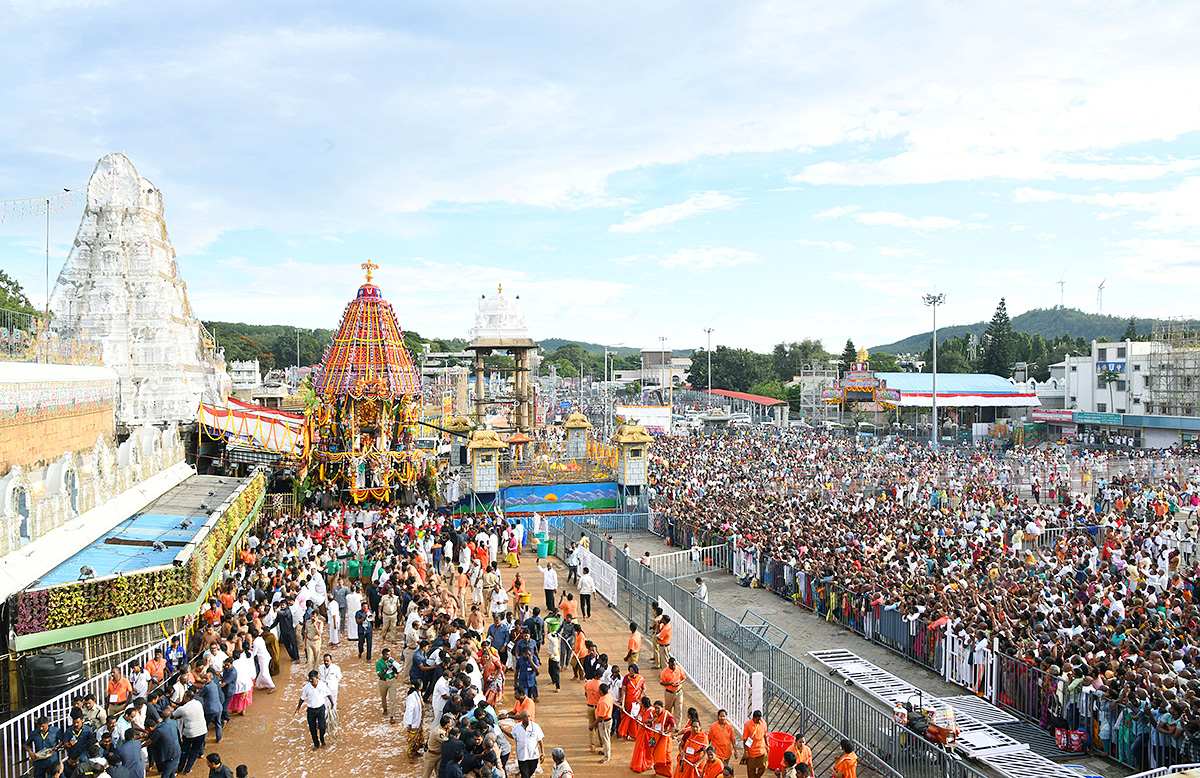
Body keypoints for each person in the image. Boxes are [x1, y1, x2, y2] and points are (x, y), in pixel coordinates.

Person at [294, 670, 333, 749]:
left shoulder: (322, 685)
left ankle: (322, 739)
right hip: (311, 710)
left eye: (312, 679)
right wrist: (297, 709)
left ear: (317, 678)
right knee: (312, 728)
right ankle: (316, 744)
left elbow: (328, 694)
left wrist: (332, 703)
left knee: (322, 726)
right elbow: (302, 699)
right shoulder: (306, 688)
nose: (310, 681)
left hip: (321, 709)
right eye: (309, 679)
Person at [512, 711, 545, 778]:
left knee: (530, 771)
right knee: (525, 775)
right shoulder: (517, 727)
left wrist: (542, 753)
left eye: (528, 716)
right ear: (521, 718)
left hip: (533, 756)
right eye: (525, 717)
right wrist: (503, 730)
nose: (528, 718)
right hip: (522, 755)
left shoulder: (535, 727)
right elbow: (512, 735)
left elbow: (540, 740)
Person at [620, 665, 646, 739]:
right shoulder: (626, 678)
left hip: (637, 702)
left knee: (636, 718)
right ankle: (627, 733)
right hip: (628, 701)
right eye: (630, 670)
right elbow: (624, 689)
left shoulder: (640, 678)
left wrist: (640, 698)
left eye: (632, 671)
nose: (631, 672)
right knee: (628, 717)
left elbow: (644, 689)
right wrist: (623, 699)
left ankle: (635, 734)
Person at [741, 710, 768, 778]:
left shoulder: (763, 723)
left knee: (764, 766)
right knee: (751, 770)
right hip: (752, 752)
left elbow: (765, 735)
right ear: (753, 718)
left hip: (762, 749)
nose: (758, 721)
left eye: (759, 719)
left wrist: (767, 745)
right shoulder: (748, 725)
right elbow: (745, 739)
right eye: (757, 720)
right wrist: (746, 751)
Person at [660, 657, 686, 724]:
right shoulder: (665, 672)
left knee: (678, 709)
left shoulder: (679, 669)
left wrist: (679, 683)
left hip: (678, 692)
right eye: (672, 665)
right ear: (669, 664)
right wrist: (669, 684)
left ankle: (677, 726)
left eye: (674, 665)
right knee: (668, 709)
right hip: (669, 693)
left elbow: (684, 678)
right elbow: (661, 682)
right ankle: (667, 724)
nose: (674, 667)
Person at [377, 648, 399, 722]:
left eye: (389, 654)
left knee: (393, 698)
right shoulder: (379, 663)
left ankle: (392, 716)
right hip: (383, 681)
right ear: (383, 655)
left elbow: (397, 670)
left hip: (392, 681)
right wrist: (387, 668)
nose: (389, 656)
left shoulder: (392, 661)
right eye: (387, 654)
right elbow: (380, 675)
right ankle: (385, 708)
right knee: (383, 696)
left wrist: (396, 671)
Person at [403, 683, 424, 759]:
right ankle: (410, 753)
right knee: (412, 738)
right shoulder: (412, 697)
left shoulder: (418, 694)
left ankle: (416, 750)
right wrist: (409, 723)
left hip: (418, 720)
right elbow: (409, 711)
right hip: (413, 722)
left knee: (418, 737)